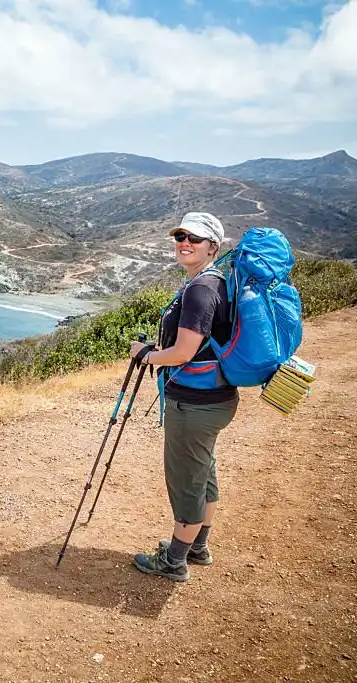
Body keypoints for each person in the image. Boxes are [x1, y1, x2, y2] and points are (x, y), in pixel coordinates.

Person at [128, 212, 239, 582]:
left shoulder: (201, 290)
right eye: (180, 237)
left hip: (195, 404)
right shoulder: (214, 282)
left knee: (187, 478)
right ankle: (198, 546)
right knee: (203, 472)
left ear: (213, 247)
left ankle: (175, 560)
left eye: (194, 238)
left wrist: (146, 355)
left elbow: (183, 353)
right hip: (213, 398)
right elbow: (197, 345)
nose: (184, 243)